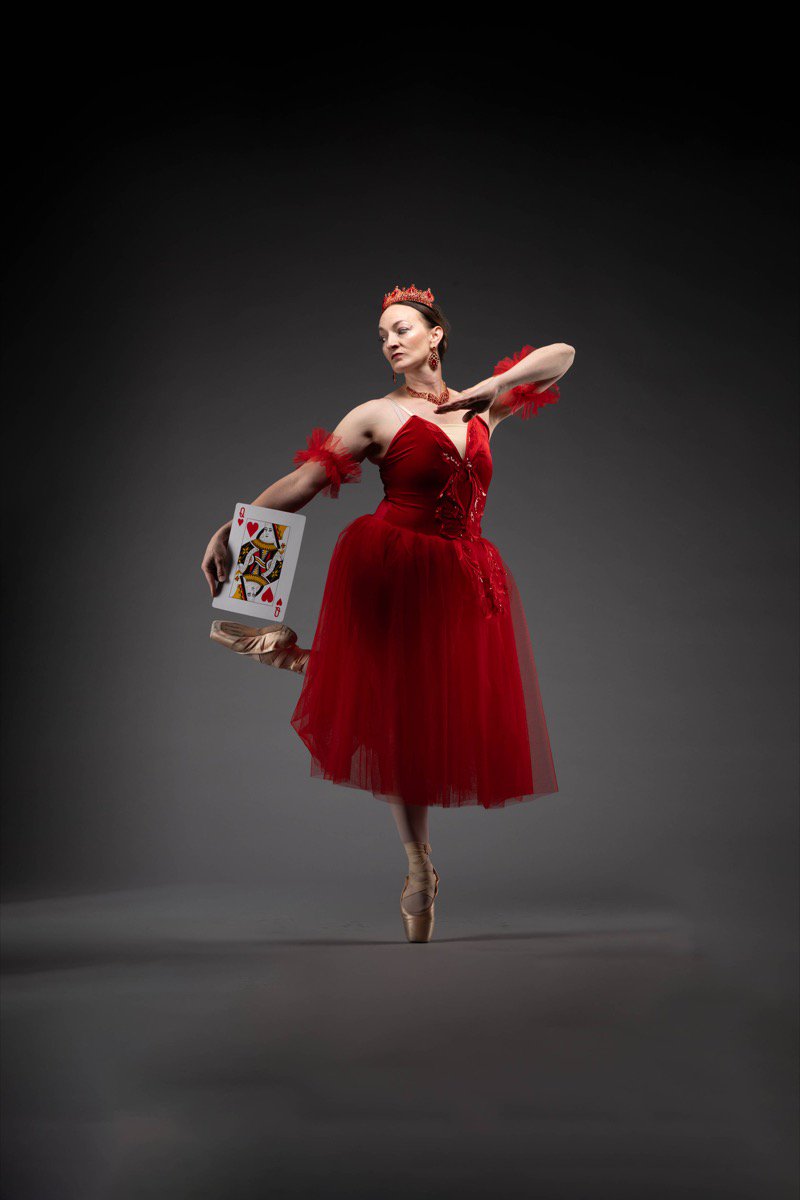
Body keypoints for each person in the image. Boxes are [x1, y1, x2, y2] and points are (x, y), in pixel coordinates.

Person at [201, 285, 575, 942]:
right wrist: (232, 528)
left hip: (463, 573)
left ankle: (303, 659)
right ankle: (419, 868)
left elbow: (562, 356)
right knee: (402, 715)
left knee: (431, 708)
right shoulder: (376, 414)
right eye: (382, 336)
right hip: (392, 563)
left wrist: (490, 387)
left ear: (436, 336)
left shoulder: (485, 408)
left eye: (402, 329)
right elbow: (304, 484)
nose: (390, 342)